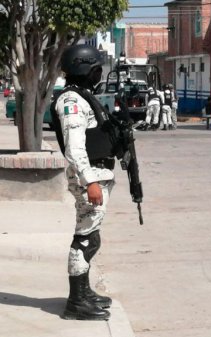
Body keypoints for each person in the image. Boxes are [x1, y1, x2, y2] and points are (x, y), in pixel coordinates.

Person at [52, 44, 119, 321]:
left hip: (95, 175)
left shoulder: (82, 96)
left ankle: (84, 292)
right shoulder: (72, 103)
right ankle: (76, 302)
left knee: (91, 236)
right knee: (84, 240)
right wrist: (90, 182)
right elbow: (75, 149)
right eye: (95, 68)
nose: (99, 73)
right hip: (87, 177)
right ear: (83, 68)